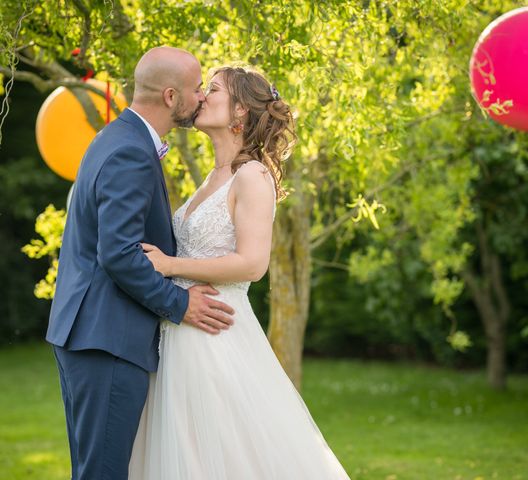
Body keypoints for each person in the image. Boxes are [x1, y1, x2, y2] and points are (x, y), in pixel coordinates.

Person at [128, 66, 351, 479]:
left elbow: (252, 263)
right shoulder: (213, 177)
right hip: (181, 331)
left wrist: (168, 265)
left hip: (217, 334)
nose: (201, 96)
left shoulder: (253, 175)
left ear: (241, 112)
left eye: (211, 89)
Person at [46, 47, 236, 480]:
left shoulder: (117, 137)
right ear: (171, 97)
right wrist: (180, 303)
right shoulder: (131, 151)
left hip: (91, 333)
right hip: (107, 338)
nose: (202, 96)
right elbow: (119, 253)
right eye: (195, 88)